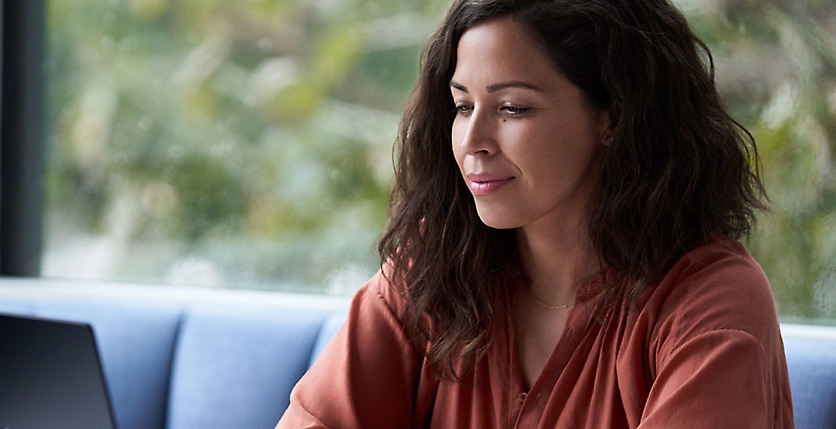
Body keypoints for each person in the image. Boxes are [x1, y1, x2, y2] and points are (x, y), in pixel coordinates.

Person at [277, 0, 794, 427]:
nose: (472, 142)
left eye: (512, 108)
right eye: (462, 107)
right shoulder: (432, 269)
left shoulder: (710, 303)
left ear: (614, 114)